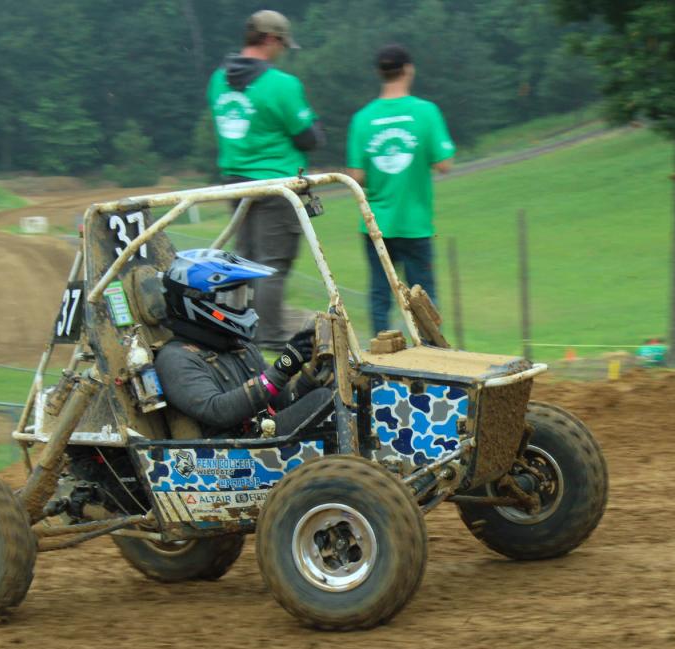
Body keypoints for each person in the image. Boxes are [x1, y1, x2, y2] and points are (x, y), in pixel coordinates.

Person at [207, 9, 324, 350]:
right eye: (282, 45)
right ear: (271, 40)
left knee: (243, 259)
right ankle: (269, 337)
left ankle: (238, 331)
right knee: (273, 264)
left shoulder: (218, 80)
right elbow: (309, 138)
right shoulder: (281, 84)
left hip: (236, 180)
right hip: (277, 183)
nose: (282, 52)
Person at [154, 249, 331, 439]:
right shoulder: (176, 358)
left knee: (330, 393)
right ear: (198, 302)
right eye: (232, 298)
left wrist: (310, 373)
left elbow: (281, 401)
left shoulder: (239, 347)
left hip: (261, 437)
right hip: (226, 457)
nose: (241, 305)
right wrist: (283, 368)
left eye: (242, 296)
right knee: (323, 399)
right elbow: (218, 410)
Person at [346, 44, 455, 336]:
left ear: (380, 73)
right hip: (415, 223)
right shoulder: (426, 112)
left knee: (381, 296)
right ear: (408, 69)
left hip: (375, 223)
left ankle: (384, 361)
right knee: (424, 298)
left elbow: (356, 175)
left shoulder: (362, 119)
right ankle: (432, 359)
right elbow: (445, 163)